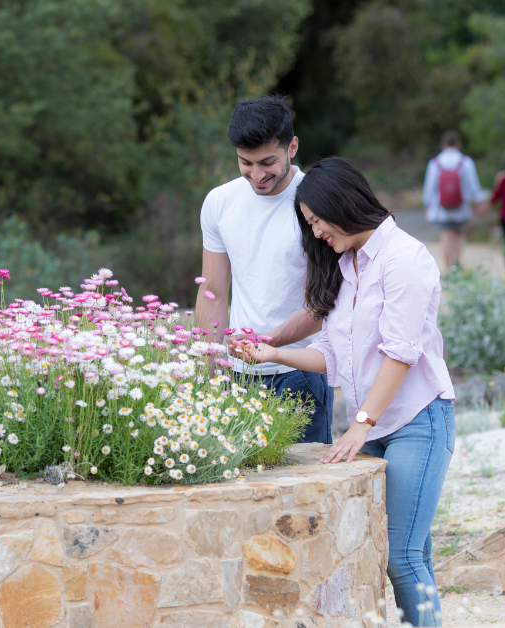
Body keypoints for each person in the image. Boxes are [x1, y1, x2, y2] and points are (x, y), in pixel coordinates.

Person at [236, 157, 456, 626]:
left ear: (344, 204)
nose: (315, 234)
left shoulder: (405, 258)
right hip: (373, 427)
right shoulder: (346, 265)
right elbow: (331, 357)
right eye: (309, 224)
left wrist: (360, 425)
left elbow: (401, 353)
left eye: (317, 221)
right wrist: (271, 353)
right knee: (412, 552)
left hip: (417, 420)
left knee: (402, 557)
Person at [195, 95, 333, 444]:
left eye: (267, 162)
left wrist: (266, 345)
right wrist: (206, 373)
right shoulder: (219, 202)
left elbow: (325, 302)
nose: (257, 175)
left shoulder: (317, 202)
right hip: (236, 376)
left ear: (292, 147)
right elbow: (212, 292)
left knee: (305, 489)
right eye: (246, 163)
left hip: (300, 371)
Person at [422, 130, 485, 270]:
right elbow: (473, 183)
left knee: (445, 237)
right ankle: (456, 265)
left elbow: (429, 185)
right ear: (458, 144)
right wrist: (478, 201)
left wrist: (426, 203)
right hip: (461, 207)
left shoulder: (435, 163)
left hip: (441, 208)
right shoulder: (466, 161)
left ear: (443, 144)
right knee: (459, 235)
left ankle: (447, 267)